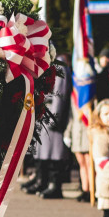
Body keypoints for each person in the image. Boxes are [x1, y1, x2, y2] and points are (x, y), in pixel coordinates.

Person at [35, 53, 71, 200]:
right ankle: (45, 182)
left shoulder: (58, 63)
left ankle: (55, 186)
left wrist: (54, 116)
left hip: (53, 113)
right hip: (44, 111)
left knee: (55, 152)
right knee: (45, 151)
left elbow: (59, 93)